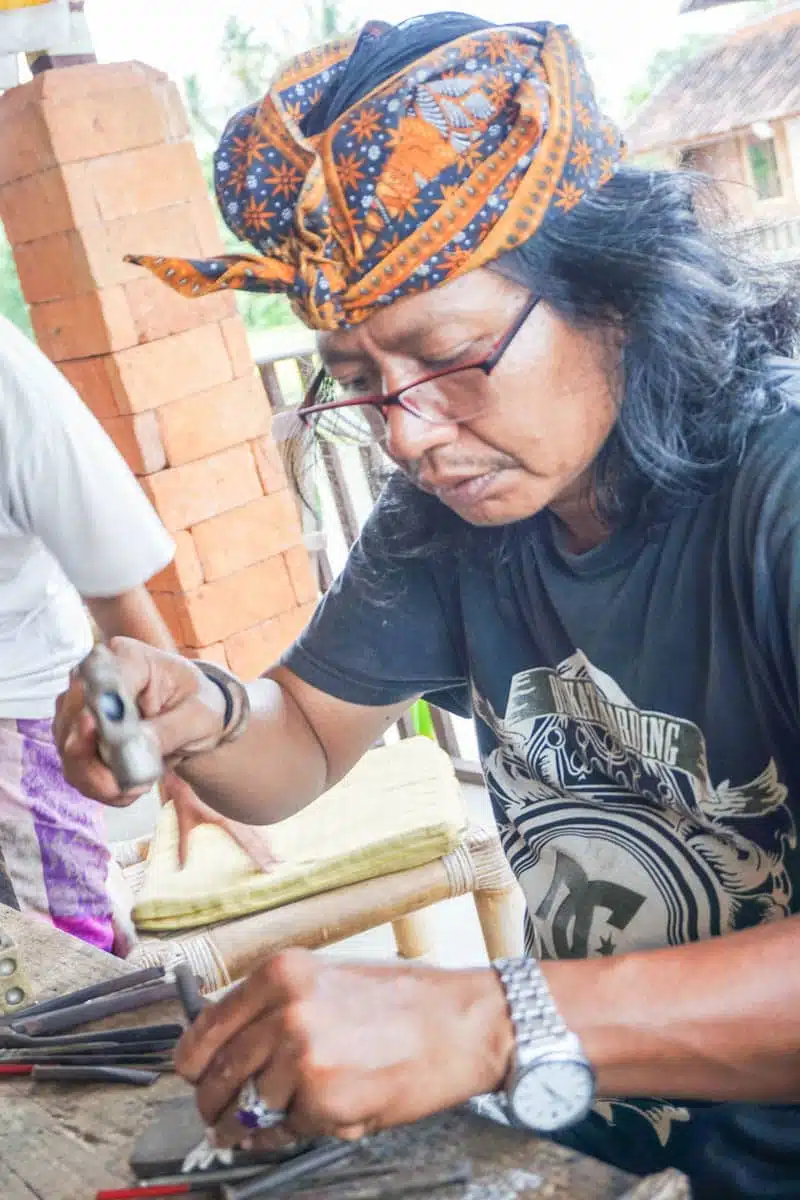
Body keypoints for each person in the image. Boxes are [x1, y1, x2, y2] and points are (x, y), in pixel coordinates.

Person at [55, 13, 800, 1198]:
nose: (405, 435)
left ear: (615, 295)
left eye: (446, 355)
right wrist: (201, 711)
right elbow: (299, 742)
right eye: (358, 381)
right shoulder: (452, 517)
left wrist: (487, 1015)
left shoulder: (778, 494)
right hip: (581, 1143)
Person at [0, 313, 271, 952]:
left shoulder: (12, 386)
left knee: (69, 957)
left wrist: (186, 773)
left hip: (16, 714)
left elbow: (117, 595)